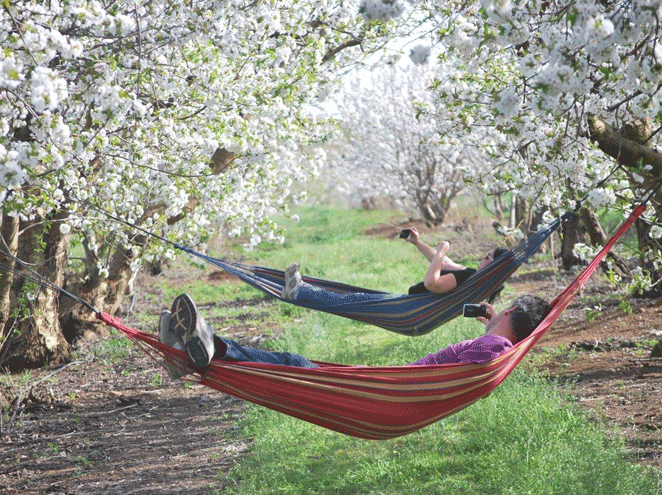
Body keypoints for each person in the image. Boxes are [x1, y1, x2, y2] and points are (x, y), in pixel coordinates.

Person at [157, 293, 550, 379]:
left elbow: (475, 361)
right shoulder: (499, 344)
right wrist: (496, 322)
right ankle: (191, 351)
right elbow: (483, 354)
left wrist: (497, 330)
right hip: (394, 387)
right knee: (292, 363)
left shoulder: (494, 347)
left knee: (294, 364)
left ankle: (207, 345)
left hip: (392, 388)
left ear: (513, 311)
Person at [402, 226, 509, 295]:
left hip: (412, 305)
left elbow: (431, 284)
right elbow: (445, 263)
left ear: (494, 265)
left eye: (487, 257)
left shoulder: (469, 278)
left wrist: (440, 252)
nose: (482, 258)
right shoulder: (472, 275)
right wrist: (417, 242)